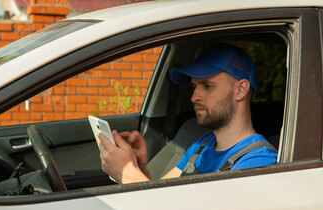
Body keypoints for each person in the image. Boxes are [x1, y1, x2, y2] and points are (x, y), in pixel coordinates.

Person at [98, 42, 277, 184]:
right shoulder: (201, 145)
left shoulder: (258, 162)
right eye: (194, 86)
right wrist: (138, 169)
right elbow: (163, 197)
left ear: (240, 90)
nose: (193, 97)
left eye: (207, 86)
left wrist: (127, 173)